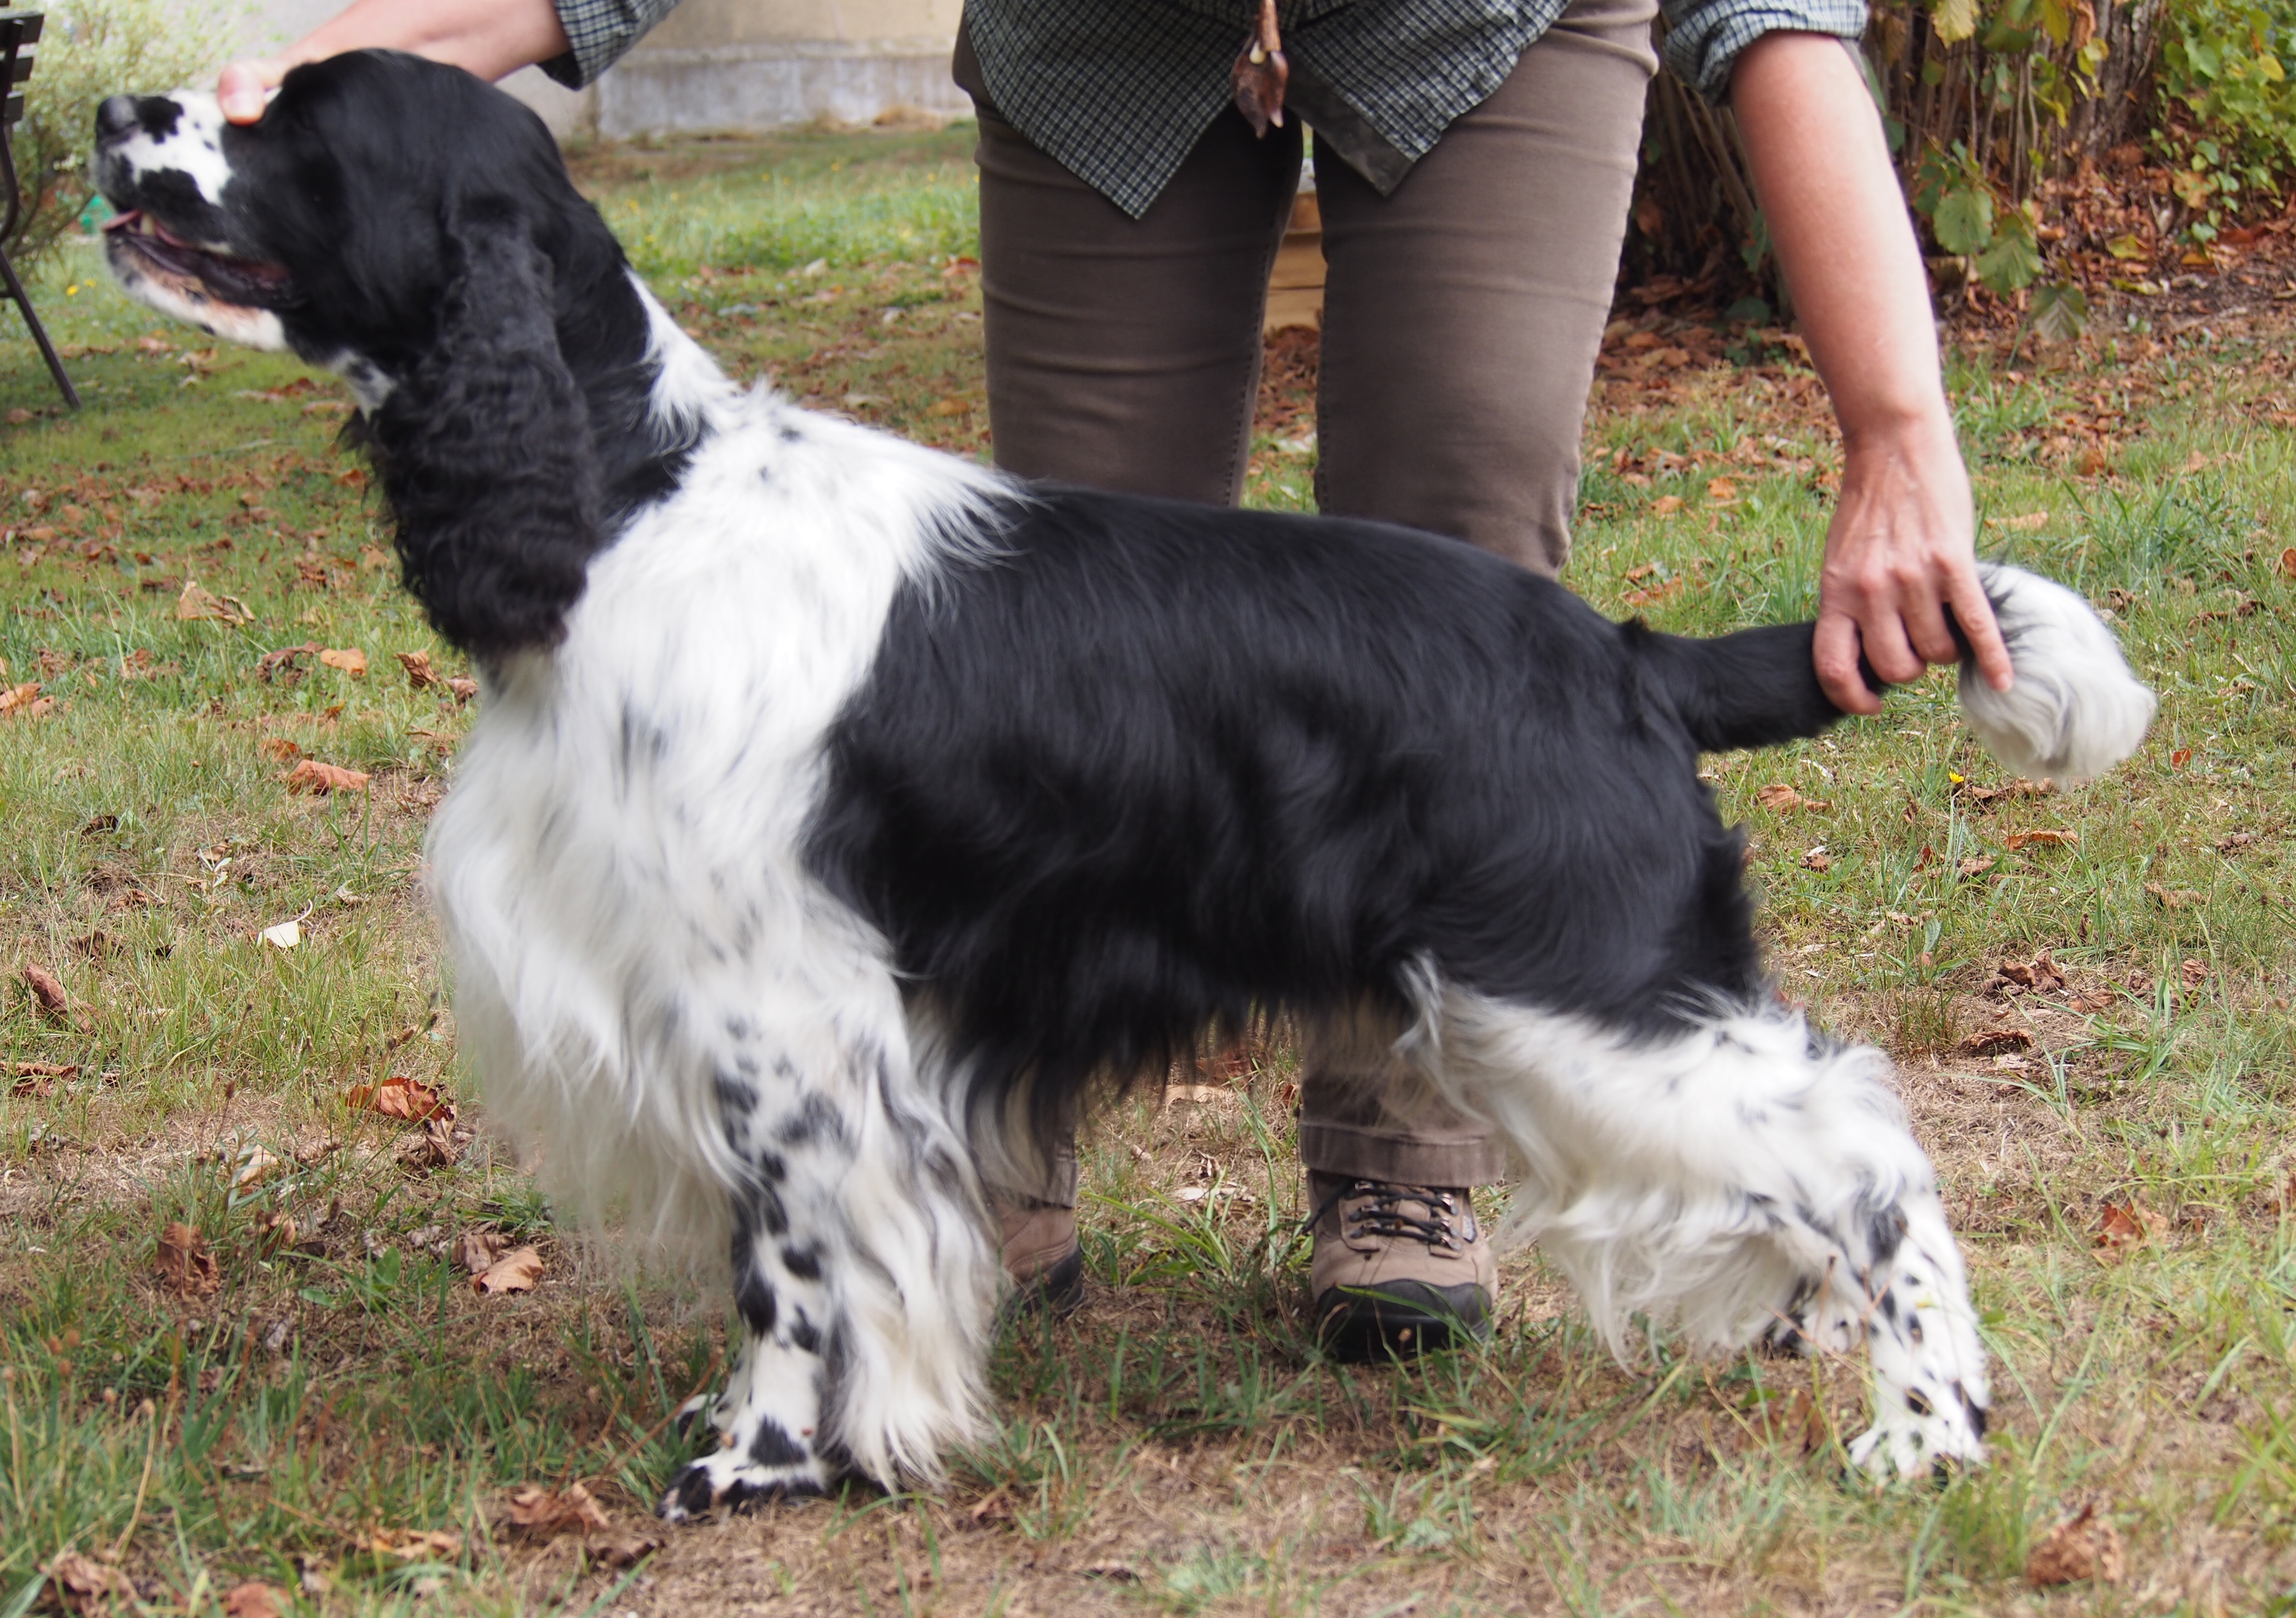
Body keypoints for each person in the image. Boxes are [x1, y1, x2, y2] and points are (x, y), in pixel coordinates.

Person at [220, 0, 2012, 1353]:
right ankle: (960, 1141)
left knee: (1459, 585)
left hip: (1479, 28)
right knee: (1068, 645)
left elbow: (1768, 3)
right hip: (1111, 45)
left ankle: (1409, 1131)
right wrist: (351, 93)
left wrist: (1897, 420)